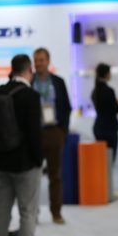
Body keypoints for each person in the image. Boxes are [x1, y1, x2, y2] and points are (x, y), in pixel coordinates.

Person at [0, 54, 46, 236]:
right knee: (28, 212)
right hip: (26, 163)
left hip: (1, 163)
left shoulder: (0, 92)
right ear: (29, 70)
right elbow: (34, 134)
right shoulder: (30, 96)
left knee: (1, 212)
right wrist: (39, 160)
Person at [32, 47, 72, 225]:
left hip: (54, 132)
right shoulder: (30, 81)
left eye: (42, 60)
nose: (39, 63)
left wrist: (62, 130)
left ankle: (56, 212)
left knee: (55, 175)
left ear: (48, 61)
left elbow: (66, 107)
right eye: (36, 60)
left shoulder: (58, 82)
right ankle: (33, 213)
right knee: (32, 176)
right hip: (35, 133)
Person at [91, 63, 118, 162]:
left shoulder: (95, 91)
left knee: (102, 160)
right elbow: (114, 108)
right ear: (106, 74)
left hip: (99, 127)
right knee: (109, 159)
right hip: (109, 128)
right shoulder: (108, 90)